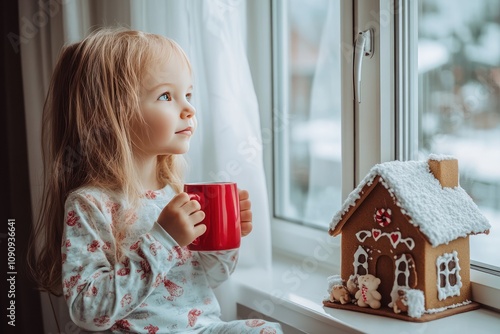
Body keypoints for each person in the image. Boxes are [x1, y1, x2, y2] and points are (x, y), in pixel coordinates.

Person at [29, 28, 282, 334]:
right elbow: (88, 310)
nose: (189, 108)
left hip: (202, 328)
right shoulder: (89, 204)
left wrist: (224, 243)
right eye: (166, 96)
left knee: (266, 330)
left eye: (187, 95)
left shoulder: (173, 193)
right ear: (112, 116)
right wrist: (164, 239)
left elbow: (205, 279)